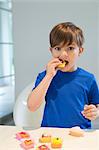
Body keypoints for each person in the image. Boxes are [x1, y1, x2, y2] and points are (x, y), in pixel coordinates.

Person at [28, 22, 99, 129]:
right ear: (51, 51)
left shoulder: (88, 79)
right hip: (51, 132)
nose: (63, 54)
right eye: (57, 48)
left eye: (70, 48)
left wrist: (95, 112)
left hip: (80, 133)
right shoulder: (45, 76)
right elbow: (32, 107)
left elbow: (96, 105)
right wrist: (49, 76)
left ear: (80, 51)